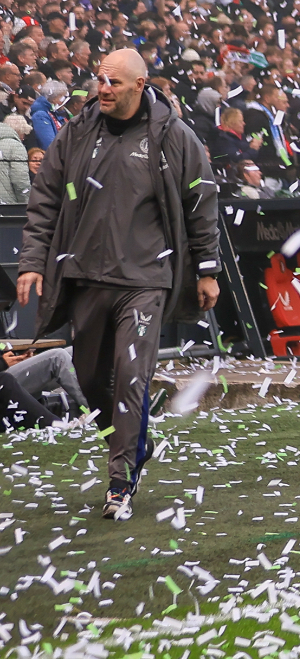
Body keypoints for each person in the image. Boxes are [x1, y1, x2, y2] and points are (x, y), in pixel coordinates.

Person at [16, 49, 221, 521]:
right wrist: (32, 262)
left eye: (114, 82)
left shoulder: (173, 135)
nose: (104, 89)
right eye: (100, 80)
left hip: (146, 279)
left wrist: (207, 269)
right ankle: (132, 444)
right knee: (89, 379)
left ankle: (120, 481)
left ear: (140, 85)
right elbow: (46, 198)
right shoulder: (78, 131)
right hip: (86, 275)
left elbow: (201, 201)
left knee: (131, 375)